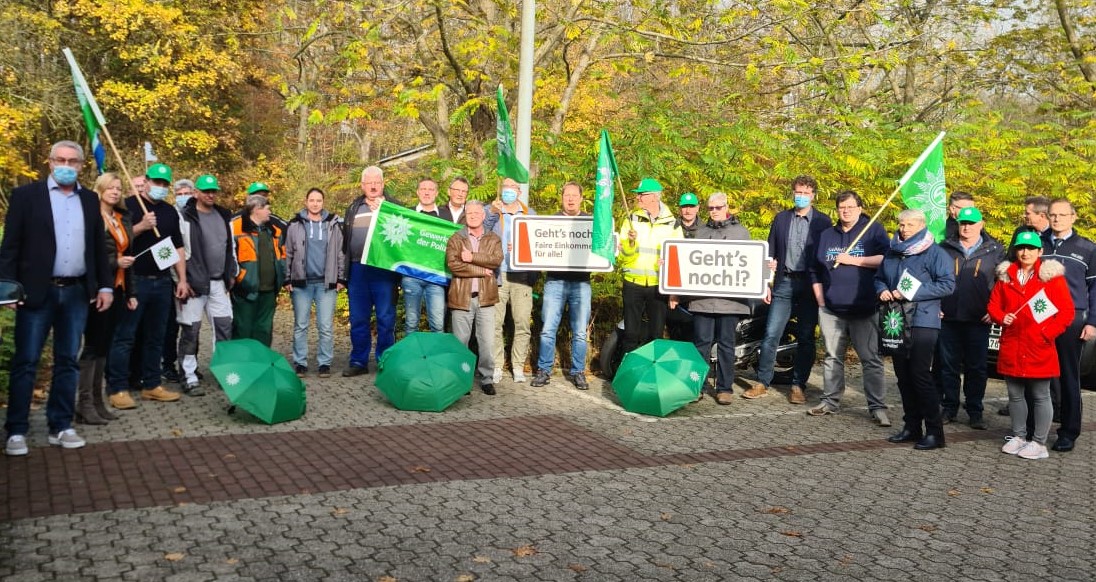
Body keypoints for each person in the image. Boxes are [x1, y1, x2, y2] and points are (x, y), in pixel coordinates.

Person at [1, 140, 112, 456]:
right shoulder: (26, 196)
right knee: (27, 361)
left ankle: (60, 425)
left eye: (72, 161)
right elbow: (10, 248)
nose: (66, 166)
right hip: (36, 292)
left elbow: (97, 247)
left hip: (76, 292)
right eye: (60, 160)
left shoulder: (89, 199)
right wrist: (7, 289)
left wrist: (104, 286)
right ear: (49, 163)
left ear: (81, 165)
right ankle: (16, 430)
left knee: (67, 360)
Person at [107, 162, 187, 410]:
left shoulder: (169, 212)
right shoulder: (127, 206)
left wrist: (182, 279)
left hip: (162, 281)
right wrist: (141, 226)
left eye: (164, 183)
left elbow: (177, 247)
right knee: (125, 336)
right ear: (146, 182)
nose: (160, 186)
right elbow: (115, 240)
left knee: (156, 337)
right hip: (134, 281)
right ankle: (117, 388)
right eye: (156, 182)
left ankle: (151, 384)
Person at [988, 232, 1073, 459]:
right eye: (1021, 248)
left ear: (1040, 251)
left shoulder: (1051, 278)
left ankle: (1039, 442)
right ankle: (1019, 436)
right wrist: (1001, 317)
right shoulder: (1006, 276)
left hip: (1038, 346)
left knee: (1040, 394)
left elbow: (1066, 312)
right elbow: (993, 305)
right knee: (1014, 394)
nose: (1025, 252)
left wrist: (1047, 333)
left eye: (1031, 248)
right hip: (1012, 343)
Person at [807, 191, 890, 425]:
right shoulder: (826, 235)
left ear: (860, 208)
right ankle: (830, 401)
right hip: (831, 309)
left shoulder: (873, 230)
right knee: (832, 358)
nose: (846, 211)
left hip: (864, 308)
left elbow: (886, 260)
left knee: (870, 360)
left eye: (851, 207)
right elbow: (814, 269)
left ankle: (877, 407)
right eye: (842, 207)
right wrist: (820, 299)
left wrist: (852, 260)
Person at [878, 209, 956, 450]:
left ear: (922, 226)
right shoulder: (892, 251)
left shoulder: (935, 253)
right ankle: (911, 427)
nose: (904, 229)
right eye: (901, 224)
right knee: (903, 377)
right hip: (896, 320)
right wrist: (881, 290)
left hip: (923, 320)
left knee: (920, 375)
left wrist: (911, 292)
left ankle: (935, 432)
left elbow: (947, 285)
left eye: (910, 225)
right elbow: (879, 277)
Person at [750, 175, 832, 403]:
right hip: (784, 281)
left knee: (806, 336)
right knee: (771, 334)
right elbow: (769, 252)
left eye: (806, 193)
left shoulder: (823, 222)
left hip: (810, 284)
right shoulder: (781, 219)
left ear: (813, 196)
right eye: (798, 192)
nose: (801, 196)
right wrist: (766, 283)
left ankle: (798, 385)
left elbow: (826, 256)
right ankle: (762, 382)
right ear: (793, 193)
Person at [672, 193, 752, 404]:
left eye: (718, 207)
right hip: (702, 300)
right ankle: (697, 386)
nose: (714, 211)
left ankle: (724, 388)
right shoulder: (700, 232)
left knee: (726, 345)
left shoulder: (741, 232)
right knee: (701, 344)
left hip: (731, 302)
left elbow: (751, 263)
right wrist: (669, 266)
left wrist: (765, 270)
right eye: (711, 208)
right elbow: (688, 263)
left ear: (726, 207)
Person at [76, 173, 138, 425]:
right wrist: (115, 263)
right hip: (98, 289)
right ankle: (84, 403)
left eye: (118, 188)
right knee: (92, 345)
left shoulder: (122, 218)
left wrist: (131, 292)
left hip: (119, 288)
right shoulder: (91, 217)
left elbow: (128, 254)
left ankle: (98, 400)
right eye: (110, 188)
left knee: (104, 345)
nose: (114, 192)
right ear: (99, 190)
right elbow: (89, 256)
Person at [937, 206, 1005, 429]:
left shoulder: (995, 250)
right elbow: (933, 277)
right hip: (948, 317)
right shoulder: (944, 248)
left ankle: (975, 411)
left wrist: (994, 310)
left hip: (979, 319)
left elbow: (1003, 285)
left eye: (971, 223)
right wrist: (935, 305)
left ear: (981, 224)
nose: (966, 227)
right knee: (948, 367)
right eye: (963, 223)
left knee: (977, 368)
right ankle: (949, 408)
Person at [1039, 199, 1096, 452]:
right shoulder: (1036, 243)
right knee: (1036, 375)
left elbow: (1095, 288)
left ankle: (1068, 432)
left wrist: (1092, 322)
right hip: (1039, 317)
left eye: (1063, 215)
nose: (1057, 219)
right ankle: (1033, 428)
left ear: (1073, 217)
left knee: (1068, 375)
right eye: (1053, 214)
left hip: (1071, 319)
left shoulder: (1088, 248)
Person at [177, 174, 236, 395]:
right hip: (194, 285)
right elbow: (178, 250)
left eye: (213, 191)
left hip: (219, 283)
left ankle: (223, 372)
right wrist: (181, 280)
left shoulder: (224, 215)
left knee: (224, 327)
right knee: (191, 331)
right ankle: (189, 376)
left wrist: (231, 272)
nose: (210, 195)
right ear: (196, 193)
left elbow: (230, 247)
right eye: (205, 191)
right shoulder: (185, 217)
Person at [531, 182, 593, 390]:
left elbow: (602, 249)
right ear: (562, 198)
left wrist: (613, 245)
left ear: (581, 198)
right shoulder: (551, 222)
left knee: (580, 332)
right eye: (567, 195)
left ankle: (578, 372)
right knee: (548, 329)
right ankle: (543, 370)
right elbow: (536, 245)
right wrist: (521, 246)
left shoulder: (591, 222)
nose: (571, 199)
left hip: (581, 283)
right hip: (555, 281)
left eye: (575, 195)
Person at [342, 165, 400, 376]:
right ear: (362, 185)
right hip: (358, 269)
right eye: (369, 183)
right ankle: (359, 361)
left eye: (377, 182)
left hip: (383, 270)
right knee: (358, 318)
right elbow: (345, 241)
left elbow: (402, 237)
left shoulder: (394, 207)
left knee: (385, 318)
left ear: (383, 184)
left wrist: (384, 210)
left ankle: (385, 360)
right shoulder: (353, 208)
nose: (373, 186)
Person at [998, 195, 1052, 416]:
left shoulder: (1054, 237)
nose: (1024, 216)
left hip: (1043, 319)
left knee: (1043, 386)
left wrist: (1051, 330)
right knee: (1017, 384)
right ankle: (1020, 420)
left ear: (1041, 214)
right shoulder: (1020, 231)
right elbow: (1009, 260)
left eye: (1028, 212)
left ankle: (1051, 414)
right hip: (1016, 312)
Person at [617, 178, 683, 355]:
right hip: (632, 283)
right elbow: (623, 257)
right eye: (638, 195)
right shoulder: (631, 219)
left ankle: (652, 370)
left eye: (642, 195)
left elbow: (678, 259)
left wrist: (673, 291)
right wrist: (630, 243)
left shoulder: (673, 223)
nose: (638, 198)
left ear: (654, 197)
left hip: (658, 286)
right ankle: (628, 368)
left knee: (656, 335)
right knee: (630, 334)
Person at [285, 188, 345, 377]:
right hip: (301, 283)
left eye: (319, 200)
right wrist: (287, 278)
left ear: (323, 202)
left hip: (326, 284)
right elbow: (288, 253)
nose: (315, 203)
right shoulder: (295, 224)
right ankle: (300, 363)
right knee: (301, 325)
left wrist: (341, 277)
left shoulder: (333, 224)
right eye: (312, 200)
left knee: (325, 326)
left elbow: (340, 253)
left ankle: (324, 363)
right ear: (306, 202)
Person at [483, 177, 537, 383]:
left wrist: (522, 248)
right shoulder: (492, 210)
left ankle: (517, 366)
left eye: (512, 187)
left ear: (519, 192)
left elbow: (538, 243)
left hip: (522, 276)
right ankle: (497, 365)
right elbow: (481, 234)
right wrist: (491, 213)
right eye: (505, 187)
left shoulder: (530, 214)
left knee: (522, 323)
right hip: (498, 274)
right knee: (495, 323)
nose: (508, 190)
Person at [445, 201, 502, 395]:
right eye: (470, 213)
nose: (473, 216)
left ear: (484, 216)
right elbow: (454, 265)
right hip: (462, 298)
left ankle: (487, 379)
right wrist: (481, 270)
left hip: (486, 298)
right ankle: (461, 380)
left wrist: (472, 257)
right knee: (460, 343)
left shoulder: (493, 238)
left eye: (477, 213)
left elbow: (496, 260)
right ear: (465, 215)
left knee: (487, 343)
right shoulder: (456, 238)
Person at [230, 194, 285, 345]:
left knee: (264, 331)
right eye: (267, 209)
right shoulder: (235, 228)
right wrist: (241, 278)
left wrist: (281, 275)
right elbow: (229, 258)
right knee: (243, 330)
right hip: (245, 291)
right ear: (256, 209)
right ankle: (242, 360)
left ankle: (261, 359)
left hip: (269, 292)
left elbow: (282, 255)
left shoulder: (274, 231)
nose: (270, 212)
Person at [161, 178, 197, 384]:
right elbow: (166, 249)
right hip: (172, 278)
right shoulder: (169, 214)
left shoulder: (197, 215)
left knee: (192, 326)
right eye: (179, 194)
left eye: (187, 193)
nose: (183, 197)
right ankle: (168, 364)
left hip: (194, 277)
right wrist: (177, 279)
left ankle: (191, 365)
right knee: (170, 326)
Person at [402, 178, 448, 334]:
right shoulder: (407, 214)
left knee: (438, 324)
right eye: (423, 189)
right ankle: (411, 350)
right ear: (417, 192)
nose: (427, 192)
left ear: (436, 193)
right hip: (411, 276)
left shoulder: (446, 216)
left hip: (436, 278)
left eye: (430, 189)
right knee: (411, 323)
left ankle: (436, 351)